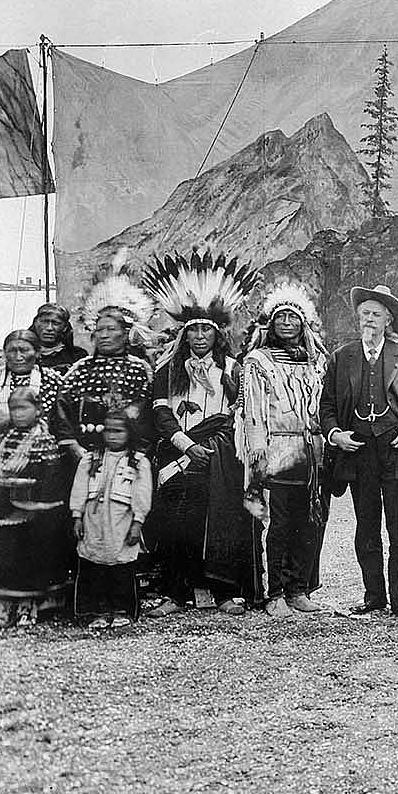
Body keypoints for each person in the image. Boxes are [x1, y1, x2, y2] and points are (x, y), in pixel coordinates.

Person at [140, 250, 257, 617]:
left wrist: (216, 445)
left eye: (207, 329)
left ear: (217, 333)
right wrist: (186, 445)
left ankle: (223, 591)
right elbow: (160, 411)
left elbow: (240, 412)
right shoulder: (166, 370)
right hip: (178, 452)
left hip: (221, 452)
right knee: (178, 521)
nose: (200, 335)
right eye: (194, 329)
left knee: (222, 517)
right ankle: (176, 593)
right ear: (184, 333)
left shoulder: (235, 369)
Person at [319, 284, 398, 620]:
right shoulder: (342, 357)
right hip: (358, 449)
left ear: (388, 320)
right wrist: (336, 434)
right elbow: (326, 405)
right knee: (366, 528)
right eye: (364, 314)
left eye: (375, 314)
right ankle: (374, 597)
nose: (368, 320)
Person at [237, 282, 330, 617]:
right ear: (271, 323)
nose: (287, 322)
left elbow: (324, 404)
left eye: (293, 317)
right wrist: (259, 456)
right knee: (279, 522)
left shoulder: (317, 360)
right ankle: (273, 592)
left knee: (308, 522)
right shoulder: (257, 361)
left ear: (303, 324)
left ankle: (298, 589)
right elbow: (253, 412)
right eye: (281, 317)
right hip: (277, 449)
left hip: (311, 451)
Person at [0, 329, 64, 604]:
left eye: (25, 350)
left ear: (37, 352)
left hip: (39, 463)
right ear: (4, 352)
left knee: (33, 537)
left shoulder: (53, 379)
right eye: (12, 350)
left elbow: (59, 416)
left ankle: (35, 599)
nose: (18, 356)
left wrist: (38, 442)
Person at [0, 386, 75, 629]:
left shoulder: (45, 443)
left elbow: (52, 483)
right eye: (13, 408)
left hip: (33, 519)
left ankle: (27, 610)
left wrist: (35, 509)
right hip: (2, 512)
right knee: (0, 562)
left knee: (29, 564)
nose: (18, 414)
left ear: (38, 409)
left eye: (23, 408)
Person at [58, 265, 156, 454]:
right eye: (100, 330)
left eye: (111, 330)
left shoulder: (141, 369)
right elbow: (63, 408)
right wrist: (72, 444)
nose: (104, 335)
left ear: (125, 334)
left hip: (131, 452)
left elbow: (147, 413)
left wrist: (140, 453)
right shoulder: (80, 369)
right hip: (85, 450)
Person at [71, 410, 152, 629]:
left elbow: (142, 493)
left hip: (121, 522)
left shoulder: (137, 462)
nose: (112, 435)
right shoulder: (91, 458)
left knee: (120, 566)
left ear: (129, 432)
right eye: (108, 430)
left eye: (118, 431)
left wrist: (138, 521)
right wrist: (77, 516)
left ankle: (121, 610)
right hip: (93, 521)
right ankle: (98, 611)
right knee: (93, 565)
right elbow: (79, 489)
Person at [29, 303, 87, 373]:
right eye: (44, 322)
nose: (49, 328)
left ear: (65, 327)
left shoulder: (77, 356)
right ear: (35, 323)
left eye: (56, 323)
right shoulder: (25, 354)